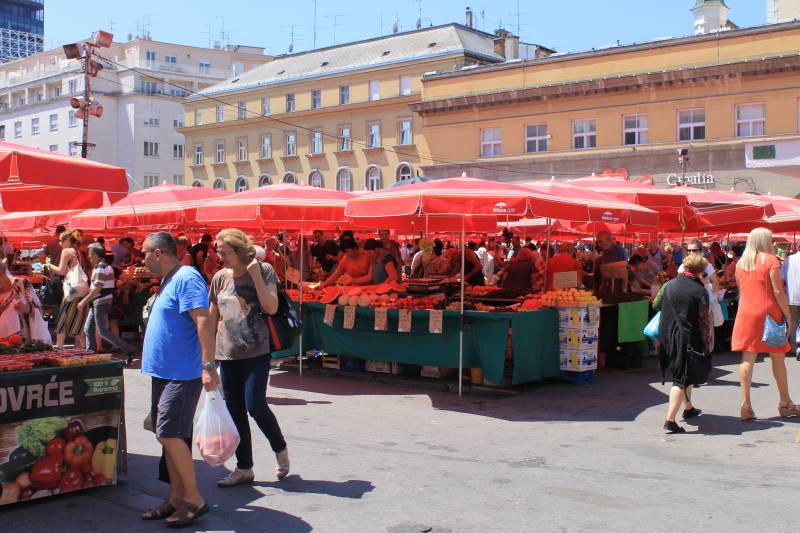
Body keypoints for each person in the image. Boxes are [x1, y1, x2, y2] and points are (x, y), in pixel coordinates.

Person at [139, 232, 216, 527]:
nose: (142, 260)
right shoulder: (170, 279)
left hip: (182, 374)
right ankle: (175, 499)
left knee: (170, 434)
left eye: (144, 253)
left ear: (159, 252)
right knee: (166, 436)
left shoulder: (187, 277)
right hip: (164, 372)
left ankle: (194, 499)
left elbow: (203, 319)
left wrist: (208, 365)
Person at [208, 229, 289, 487]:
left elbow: (271, 307)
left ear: (240, 250)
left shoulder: (263, 270)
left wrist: (254, 275)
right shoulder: (219, 277)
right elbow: (211, 320)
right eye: (218, 252)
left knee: (255, 405)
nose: (221, 258)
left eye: (226, 252)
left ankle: (280, 449)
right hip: (227, 352)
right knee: (235, 411)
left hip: (256, 350)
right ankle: (244, 467)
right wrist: (207, 361)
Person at [733, 228, 800, 420]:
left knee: (748, 357)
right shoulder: (770, 260)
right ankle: (785, 402)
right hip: (769, 312)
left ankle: (746, 405)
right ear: (764, 240)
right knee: (777, 357)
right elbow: (778, 291)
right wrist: (787, 315)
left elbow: (741, 290)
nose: (773, 242)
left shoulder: (740, 263)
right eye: (770, 239)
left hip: (746, 313)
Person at [656, 253, 712, 434]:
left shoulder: (669, 285)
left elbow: (656, 305)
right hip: (687, 338)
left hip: (667, 336)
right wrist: (706, 343)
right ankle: (670, 420)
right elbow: (704, 321)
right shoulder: (700, 291)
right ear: (701, 272)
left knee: (687, 373)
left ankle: (688, 408)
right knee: (680, 379)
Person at [78, 243, 137, 365]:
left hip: (100, 301)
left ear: (95, 254)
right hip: (99, 301)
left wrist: (84, 301)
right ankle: (91, 354)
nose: (89, 256)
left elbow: (98, 288)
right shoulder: (103, 266)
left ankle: (129, 349)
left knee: (102, 331)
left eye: (90, 254)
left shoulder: (100, 267)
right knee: (89, 328)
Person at [45, 230, 89, 349]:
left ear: (68, 240)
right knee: (78, 320)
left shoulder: (67, 251)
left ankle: (59, 347)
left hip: (71, 289)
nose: (60, 243)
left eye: (61, 240)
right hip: (81, 289)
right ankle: (83, 350)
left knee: (63, 319)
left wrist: (49, 265)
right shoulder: (78, 252)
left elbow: (61, 270)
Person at [782, 245, 800, 357]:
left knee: (793, 323)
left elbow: (781, 279)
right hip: (792, 296)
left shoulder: (788, 259)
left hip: (792, 296)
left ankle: (795, 347)